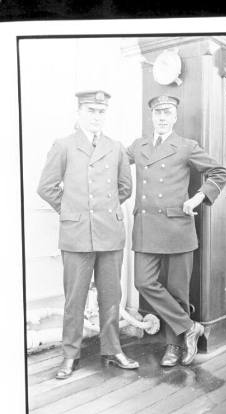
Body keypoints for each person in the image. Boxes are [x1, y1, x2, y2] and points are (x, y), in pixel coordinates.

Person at [37, 90, 139, 379]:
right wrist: (71, 211)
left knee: (111, 296)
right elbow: (46, 187)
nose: (96, 116)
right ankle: (70, 355)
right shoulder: (64, 145)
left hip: (109, 232)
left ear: (106, 114)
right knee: (75, 298)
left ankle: (113, 349)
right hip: (77, 234)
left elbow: (125, 188)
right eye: (91, 111)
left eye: (101, 111)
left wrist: (102, 212)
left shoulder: (116, 147)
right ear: (79, 113)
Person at [127, 95, 226, 367]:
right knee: (143, 281)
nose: (162, 117)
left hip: (177, 229)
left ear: (174, 117)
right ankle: (190, 326)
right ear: (152, 116)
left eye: (167, 112)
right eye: (157, 112)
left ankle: (173, 346)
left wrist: (198, 198)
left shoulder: (186, 146)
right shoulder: (138, 146)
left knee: (177, 291)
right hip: (147, 228)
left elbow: (219, 172)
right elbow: (113, 166)